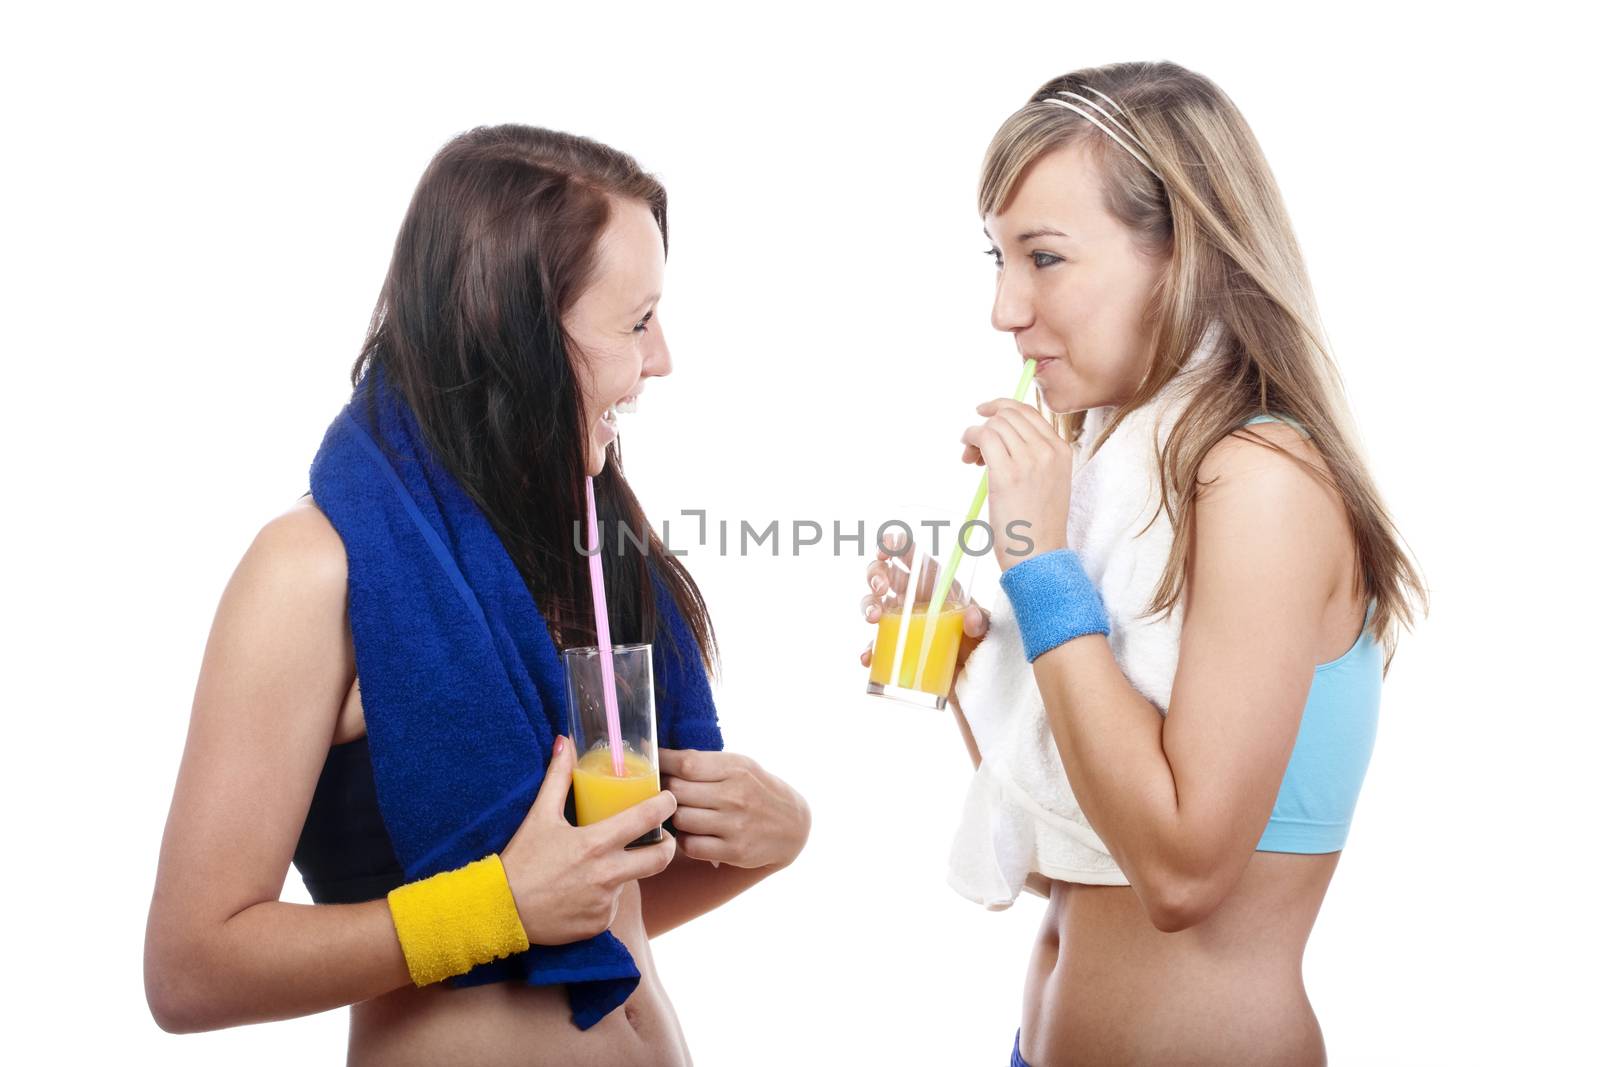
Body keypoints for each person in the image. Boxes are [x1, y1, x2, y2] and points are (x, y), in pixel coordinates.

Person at [145, 125, 810, 1066]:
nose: (662, 359)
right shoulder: (311, 569)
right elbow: (190, 969)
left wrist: (771, 838)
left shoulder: (587, 545)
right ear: (517, 335)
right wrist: (489, 907)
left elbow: (590, 910)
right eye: (635, 321)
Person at [860, 62, 1425, 1065]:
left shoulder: (1259, 478)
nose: (1003, 308)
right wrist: (967, 663)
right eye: (995, 258)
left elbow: (1178, 877)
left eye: (1044, 257)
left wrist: (1039, 568)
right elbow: (1073, 856)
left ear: (1185, 255)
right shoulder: (1123, 470)